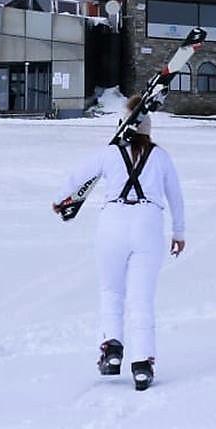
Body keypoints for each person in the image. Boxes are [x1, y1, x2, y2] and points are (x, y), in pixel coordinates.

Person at [53, 95, 185, 392]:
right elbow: (176, 197)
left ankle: (111, 352)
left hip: (112, 224)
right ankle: (142, 364)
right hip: (149, 224)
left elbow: (76, 179)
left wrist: (60, 200)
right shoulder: (161, 157)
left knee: (111, 291)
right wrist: (179, 232)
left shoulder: (108, 154)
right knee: (142, 298)